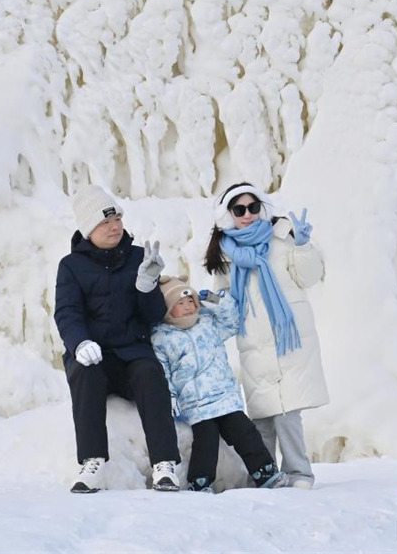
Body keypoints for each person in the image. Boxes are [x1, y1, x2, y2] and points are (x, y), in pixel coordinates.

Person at [54, 185, 181, 493]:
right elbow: (67, 312)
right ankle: (92, 462)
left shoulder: (139, 258)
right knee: (85, 372)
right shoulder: (70, 266)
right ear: (88, 229)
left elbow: (153, 315)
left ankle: (165, 465)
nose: (114, 227)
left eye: (117, 219)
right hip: (93, 354)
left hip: (132, 354)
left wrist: (147, 286)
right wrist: (79, 343)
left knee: (150, 373)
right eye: (105, 222)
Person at [204, 182, 329, 489]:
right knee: (261, 415)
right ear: (228, 215)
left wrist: (303, 247)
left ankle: (299, 473)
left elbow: (309, 277)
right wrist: (214, 302)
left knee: (288, 412)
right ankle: (264, 474)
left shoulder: (282, 238)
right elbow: (229, 302)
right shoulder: (225, 253)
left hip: (289, 336)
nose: (247, 215)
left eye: (253, 207)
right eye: (239, 209)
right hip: (254, 342)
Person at [151, 276, 291, 493]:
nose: (188, 307)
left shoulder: (208, 323)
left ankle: (265, 472)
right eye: (180, 303)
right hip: (195, 403)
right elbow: (163, 372)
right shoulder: (162, 337)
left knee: (245, 433)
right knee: (205, 442)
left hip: (224, 396)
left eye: (191, 301)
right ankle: (200, 482)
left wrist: (216, 300)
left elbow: (232, 320)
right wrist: (170, 398)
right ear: (168, 310)